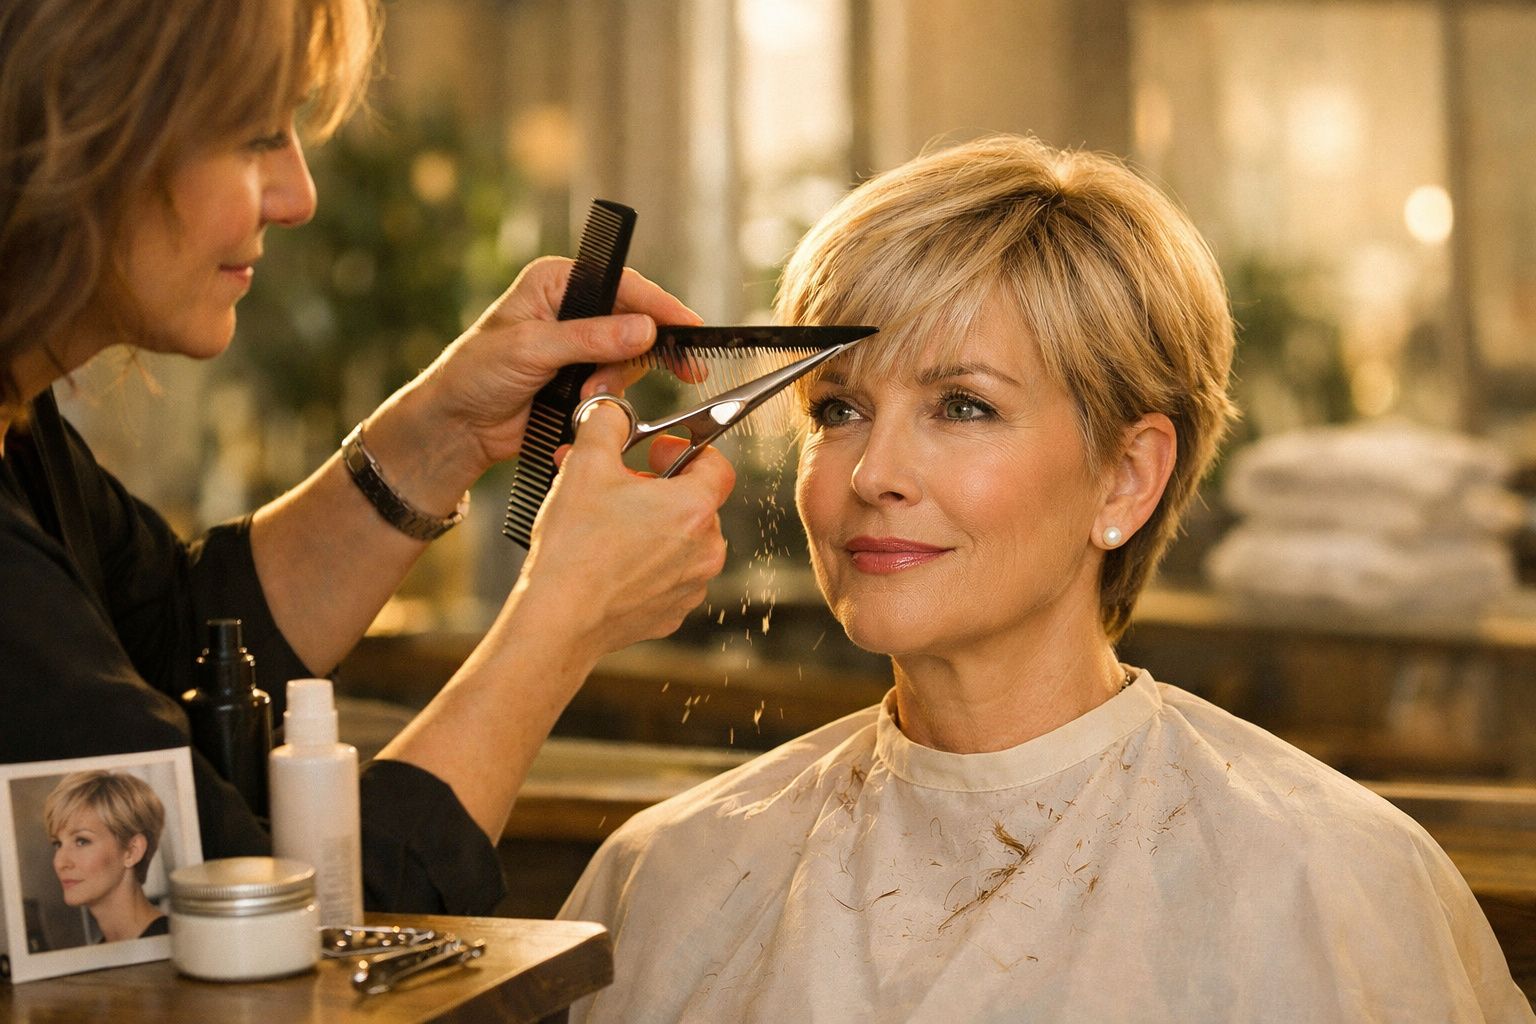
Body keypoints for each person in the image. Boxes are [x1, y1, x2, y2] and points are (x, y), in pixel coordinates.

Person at [559, 135, 1533, 1021]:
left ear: (1126, 477)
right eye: (838, 410)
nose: (872, 473)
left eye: (963, 406)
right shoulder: (668, 876)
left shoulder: (1332, 881)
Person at [0, 0, 734, 916]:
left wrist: (446, 433)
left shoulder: (22, 440)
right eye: (255, 137)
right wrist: (565, 616)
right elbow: (249, 940)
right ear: (77, 129)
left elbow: (174, 645)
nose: (298, 196)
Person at [44, 771, 169, 942]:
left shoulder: (174, 942)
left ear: (132, 851)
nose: (60, 862)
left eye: (82, 841)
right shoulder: (102, 950)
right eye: (58, 844)